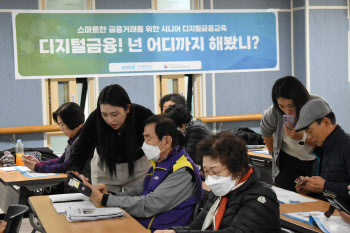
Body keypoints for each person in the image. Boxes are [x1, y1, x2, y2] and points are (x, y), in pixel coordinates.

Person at [79, 115, 203, 232]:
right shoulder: (161, 163)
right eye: (144, 138)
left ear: (166, 142)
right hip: (140, 225)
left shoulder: (183, 172)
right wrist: (109, 194)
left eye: (148, 138)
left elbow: (148, 205)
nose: (144, 144)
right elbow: (136, 193)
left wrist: (105, 199)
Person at [155, 131, 280, 233]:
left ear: (238, 168)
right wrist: (174, 231)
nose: (211, 179)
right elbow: (198, 226)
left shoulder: (261, 197)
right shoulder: (221, 190)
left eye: (216, 172)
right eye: (206, 172)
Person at [68, 84, 154, 192]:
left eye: (115, 114)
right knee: (103, 204)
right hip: (104, 168)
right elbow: (81, 148)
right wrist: (75, 171)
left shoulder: (143, 115)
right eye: (104, 114)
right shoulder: (95, 118)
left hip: (138, 168)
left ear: (127, 108)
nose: (110, 120)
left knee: (138, 204)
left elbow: (163, 138)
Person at [260, 76, 324, 192]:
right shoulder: (274, 111)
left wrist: (301, 137)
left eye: (291, 106)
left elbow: (325, 144)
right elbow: (266, 132)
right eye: (281, 106)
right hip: (288, 162)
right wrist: (274, 156)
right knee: (285, 197)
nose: (287, 111)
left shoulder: (318, 107)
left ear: (301, 99)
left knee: (316, 200)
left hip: (315, 162)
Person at [294, 99, 350, 204]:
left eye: (310, 131)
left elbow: (326, 186)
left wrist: (325, 186)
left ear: (326, 122)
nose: (309, 137)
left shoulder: (346, 147)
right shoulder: (322, 148)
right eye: (306, 133)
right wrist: (310, 190)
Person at [23, 102, 92, 179]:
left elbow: (66, 166)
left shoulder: (84, 139)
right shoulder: (74, 138)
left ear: (72, 122)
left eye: (62, 125)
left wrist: (38, 167)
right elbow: (61, 160)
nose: (61, 129)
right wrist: (39, 163)